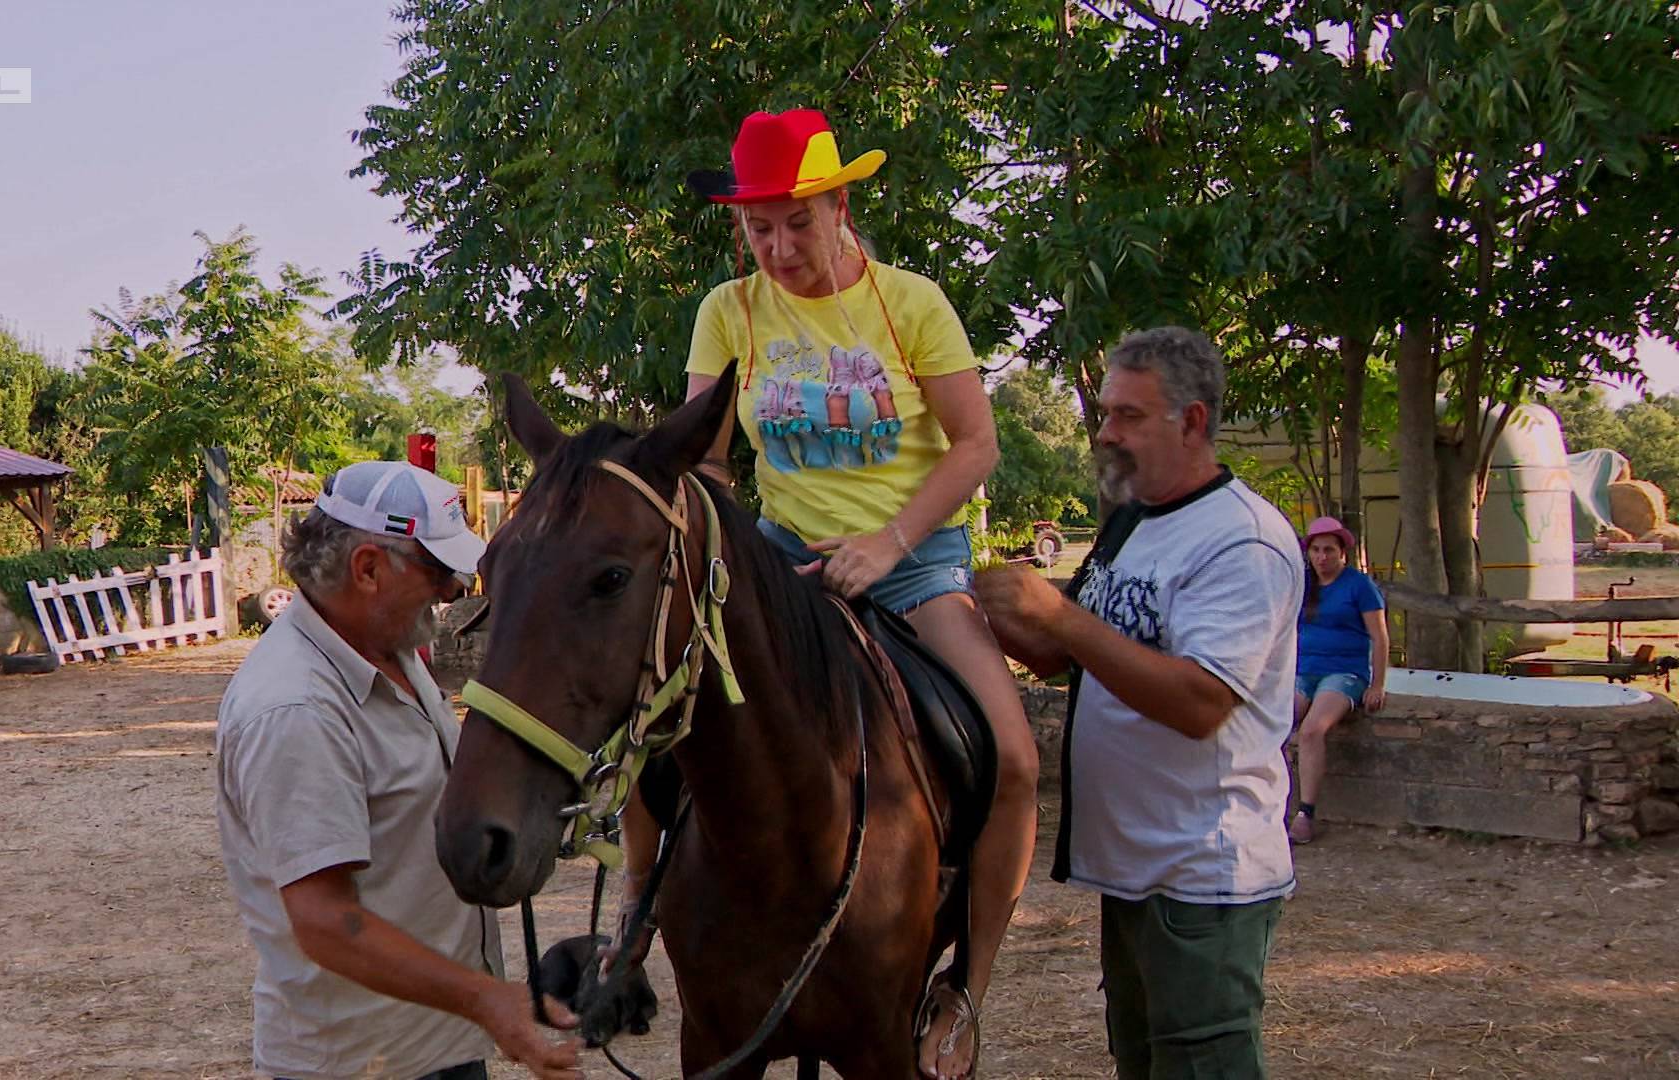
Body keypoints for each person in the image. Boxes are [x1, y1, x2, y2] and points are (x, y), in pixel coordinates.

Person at [607, 107, 1040, 1080]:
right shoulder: (730, 310)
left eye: (796, 221)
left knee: (1012, 758)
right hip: (779, 557)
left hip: (915, 562)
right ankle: (633, 920)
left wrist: (889, 543)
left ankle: (964, 989)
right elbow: (706, 460)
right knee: (658, 714)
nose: (777, 246)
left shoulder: (911, 303)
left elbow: (976, 445)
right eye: (757, 227)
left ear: (841, 204)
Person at [975, 327, 1301, 1080]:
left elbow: (1199, 703)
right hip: (1133, 871)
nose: (1104, 431)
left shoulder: (1242, 541)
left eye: (1126, 415)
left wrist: (1058, 614)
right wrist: (972, 606)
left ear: (1191, 421)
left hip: (1203, 880)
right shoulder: (1132, 520)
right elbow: (1067, 659)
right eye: (1105, 412)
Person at [215, 461, 581, 1080]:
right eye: (439, 571)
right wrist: (487, 999)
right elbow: (326, 922)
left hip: (432, 1047)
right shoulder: (296, 708)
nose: (455, 590)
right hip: (362, 1065)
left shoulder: (391, 654)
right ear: (367, 568)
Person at [1290, 515, 1389, 845]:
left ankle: (1306, 813)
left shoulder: (1359, 586)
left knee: (1312, 729)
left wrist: (1377, 684)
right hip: (1303, 669)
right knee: (1274, 722)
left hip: (1344, 671)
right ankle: (1267, 806)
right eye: (1316, 550)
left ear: (1343, 552)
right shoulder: (1303, 583)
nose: (1322, 557)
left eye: (1329, 550)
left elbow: (1380, 636)